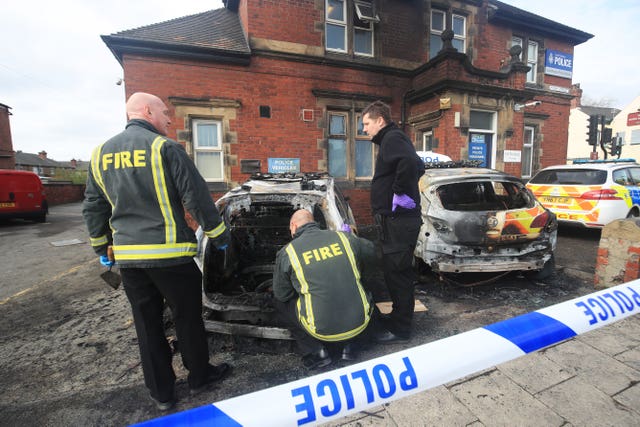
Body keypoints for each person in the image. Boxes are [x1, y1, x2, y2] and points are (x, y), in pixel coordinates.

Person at [82, 92, 232, 411]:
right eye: (165, 113)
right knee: (187, 318)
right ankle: (200, 376)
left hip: (130, 260)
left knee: (147, 324)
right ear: (147, 111)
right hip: (171, 256)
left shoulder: (99, 154)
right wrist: (220, 235)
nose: (168, 119)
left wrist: (101, 246)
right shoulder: (165, 148)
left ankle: (162, 393)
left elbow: (93, 205)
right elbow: (196, 197)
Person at [272, 209, 375, 369]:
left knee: (280, 303)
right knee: (360, 282)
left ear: (293, 226)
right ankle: (351, 347)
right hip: (360, 323)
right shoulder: (344, 238)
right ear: (313, 222)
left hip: (320, 330)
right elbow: (372, 252)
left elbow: (282, 294)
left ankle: (316, 352)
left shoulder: (288, 252)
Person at [361, 100, 425, 343]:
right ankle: (398, 319)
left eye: (367, 124)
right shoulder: (393, 139)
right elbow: (419, 165)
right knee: (395, 272)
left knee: (397, 275)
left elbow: (410, 163)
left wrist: (399, 193)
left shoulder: (392, 138)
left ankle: (401, 329)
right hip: (397, 221)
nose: (365, 129)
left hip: (398, 222)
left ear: (380, 120)